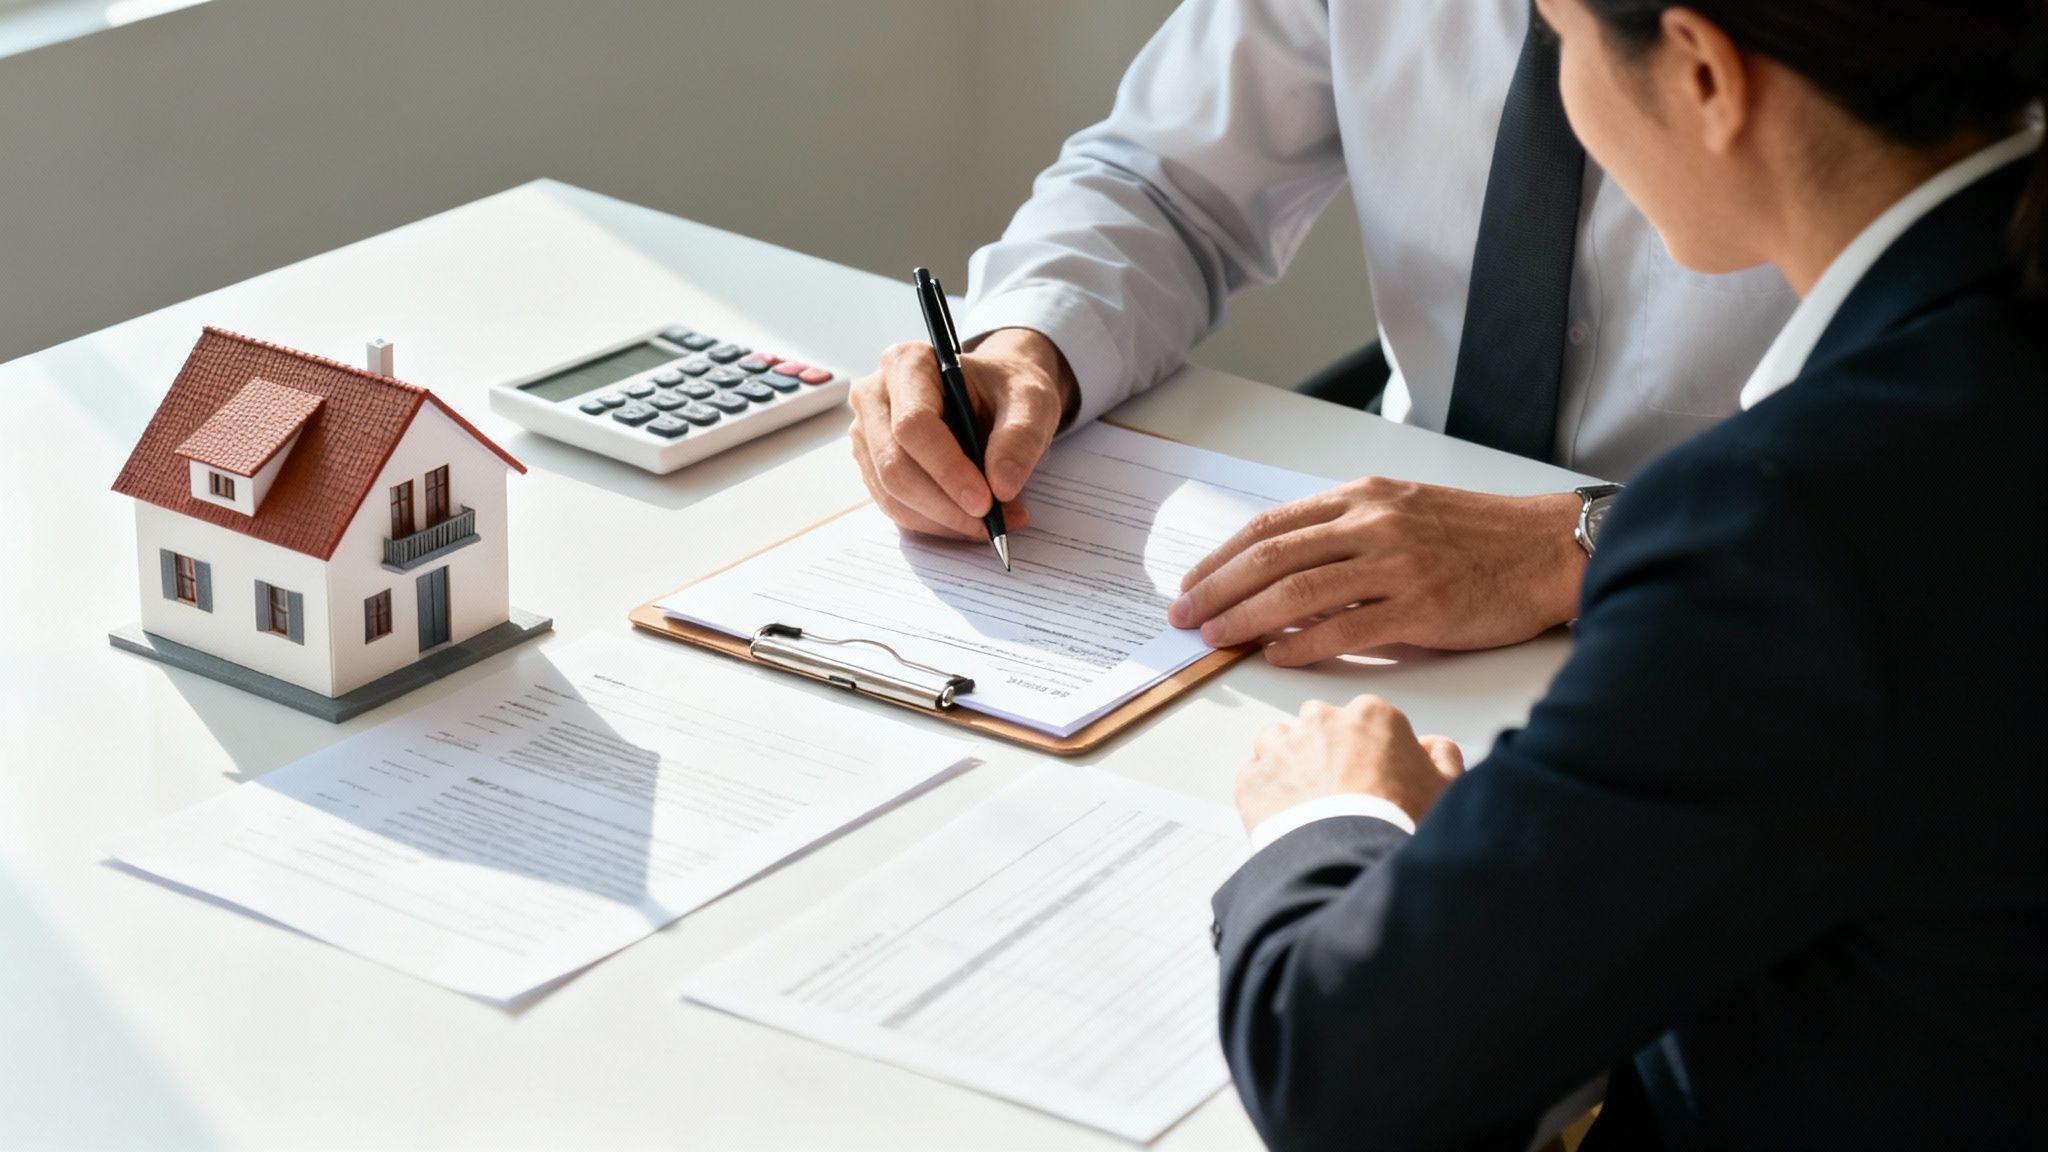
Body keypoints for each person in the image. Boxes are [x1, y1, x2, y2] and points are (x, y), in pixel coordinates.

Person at [1211, 0, 2048, 1147]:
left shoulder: (1779, 532)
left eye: (1559, 38)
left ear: (1703, 71)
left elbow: (1334, 1074)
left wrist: (1329, 816)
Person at [848, 0, 1801, 667]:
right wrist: (1029, 344)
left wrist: (1587, 540)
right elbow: (1166, 182)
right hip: (1385, 575)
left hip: (1753, 596)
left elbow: (1938, 434)